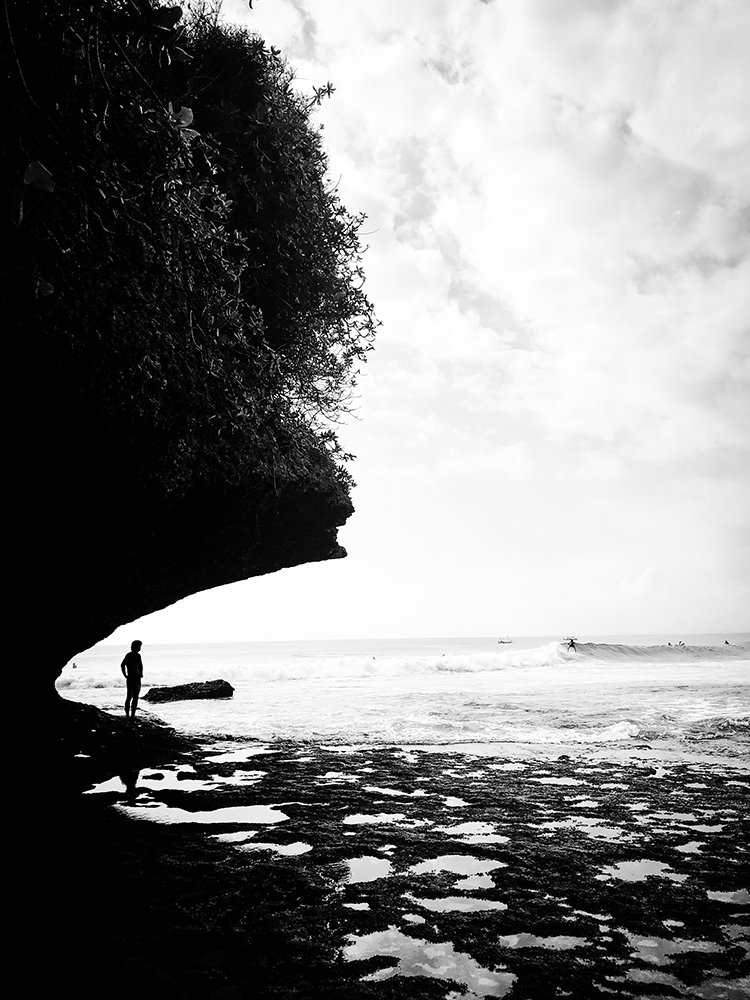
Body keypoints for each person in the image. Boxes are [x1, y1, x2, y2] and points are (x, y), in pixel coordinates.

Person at [121, 640, 144, 719]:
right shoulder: (137, 655)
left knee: (129, 697)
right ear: (137, 647)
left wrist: (125, 675)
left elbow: (122, 665)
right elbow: (140, 665)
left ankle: (127, 715)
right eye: (140, 646)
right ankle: (132, 715)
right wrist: (141, 674)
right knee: (135, 697)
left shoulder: (128, 655)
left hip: (130, 677)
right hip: (136, 677)